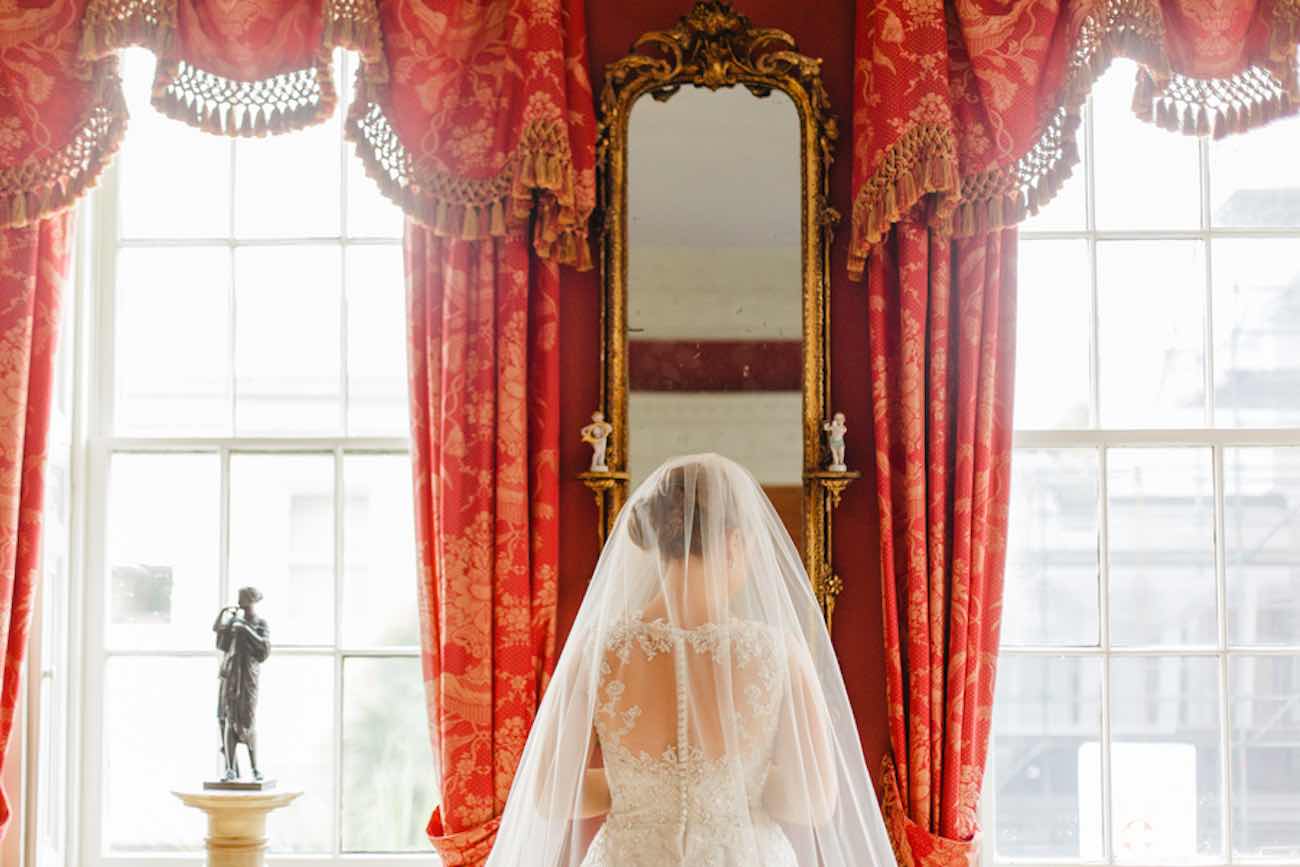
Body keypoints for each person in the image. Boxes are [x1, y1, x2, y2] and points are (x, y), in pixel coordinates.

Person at [488, 454, 896, 866]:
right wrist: (739, 785)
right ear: (733, 543)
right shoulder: (779, 654)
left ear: (660, 541)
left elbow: (551, 796)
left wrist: (639, 787)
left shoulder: (598, 650)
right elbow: (813, 803)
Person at [213, 586, 271, 781]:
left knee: (248, 719)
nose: (243, 604)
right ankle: (230, 768)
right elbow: (220, 641)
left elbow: (264, 648)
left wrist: (246, 630)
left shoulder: (260, 623)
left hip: (248, 676)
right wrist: (224, 616)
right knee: (229, 719)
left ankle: (255, 768)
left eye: (246, 600)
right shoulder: (233, 622)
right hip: (232, 675)